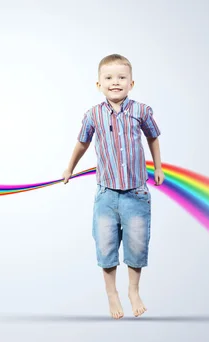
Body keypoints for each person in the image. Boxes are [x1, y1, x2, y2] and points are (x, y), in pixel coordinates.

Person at [62, 54, 165, 319]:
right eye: (109, 78)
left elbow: (153, 137)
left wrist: (159, 166)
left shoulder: (141, 111)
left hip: (136, 194)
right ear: (99, 84)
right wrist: (70, 168)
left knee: (136, 245)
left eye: (121, 78)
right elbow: (82, 143)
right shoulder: (93, 115)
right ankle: (112, 294)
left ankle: (133, 290)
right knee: (106, 247)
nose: (115, 82)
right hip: (106, 195)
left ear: (131, 83)